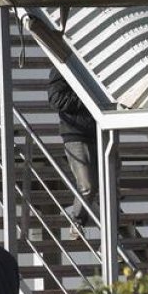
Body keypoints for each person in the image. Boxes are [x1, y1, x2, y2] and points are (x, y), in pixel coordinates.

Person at [47, 73, 97, 239]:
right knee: (87, 185)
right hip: (76, 133)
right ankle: (77, 221)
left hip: (100, 131)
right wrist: (86, 98)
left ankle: (112, 239)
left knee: (109, 188)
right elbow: (56, 99)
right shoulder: (62, 67)